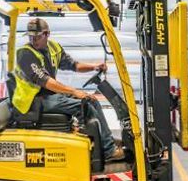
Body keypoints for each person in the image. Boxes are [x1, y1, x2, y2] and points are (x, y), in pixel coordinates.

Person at [12, 18, 123, 160]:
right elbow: (45, 81)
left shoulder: (54, 48)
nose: (33, 40)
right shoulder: (25, 53)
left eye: (37, 36)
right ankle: (108, 151)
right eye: (31, 36)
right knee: (85, 106)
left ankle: (103, 142)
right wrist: (74, 91)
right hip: (32, 101)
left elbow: (74, 65)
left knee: (91, 100)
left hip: (48, 95)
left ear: (47, 34)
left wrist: (95, 66)